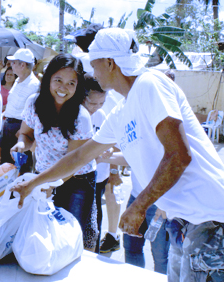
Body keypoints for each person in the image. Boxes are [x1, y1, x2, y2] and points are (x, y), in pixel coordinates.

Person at [12, 28, 224, 281]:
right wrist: (34, 182)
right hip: (183, 223)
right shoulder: (121, 112)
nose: (92, 72)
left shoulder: (149, 84)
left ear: (110, 63)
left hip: (211, 221)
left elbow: (179, 155)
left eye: (94, 64)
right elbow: (79, 157)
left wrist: (139, 205)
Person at [10, 54, 98, 251]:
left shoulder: (81, 117)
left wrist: (46, 184)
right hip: (43, 176)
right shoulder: (34, 103)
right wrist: (21, 145)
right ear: (48, 78)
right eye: (58, 80)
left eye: (71, 83)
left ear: (78, 86)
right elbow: (26, 134)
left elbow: (73, 162)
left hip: (77, 180)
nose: (63, 88)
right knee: (46, 231)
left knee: (72, 235)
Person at [82, 74, 123, 253]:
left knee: (94, 220)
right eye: (92, 103)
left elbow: (112, 145)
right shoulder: (76, 116)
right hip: (79, 177)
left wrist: (113, 170)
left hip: (99, 177)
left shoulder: (102, 115)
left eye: (101, 103)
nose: (96, 108)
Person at [0, 49, 40, 165]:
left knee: (19, 167)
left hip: (20, 130)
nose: (11, 65)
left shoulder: (34, 85)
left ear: (22, 65)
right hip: (9, 126)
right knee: (6, 166)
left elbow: (34, 112)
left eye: (14, 62)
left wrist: (23, 132)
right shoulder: (18, 80)